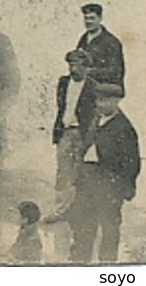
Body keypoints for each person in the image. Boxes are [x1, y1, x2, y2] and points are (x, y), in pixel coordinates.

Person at [70, 83, 140, 264]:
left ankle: (107, 268)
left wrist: (122, 188)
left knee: (109, 229)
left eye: (107, 100)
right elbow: (86, 148)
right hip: (87, 180)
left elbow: (132, 164)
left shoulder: (124, 128)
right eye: (99, 100)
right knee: (83, 226)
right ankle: (79, 265)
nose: (101, 104)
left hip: (109, 185)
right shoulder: (96, 119)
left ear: (117, 101)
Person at [54, 47, 99, 220]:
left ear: (86, 67)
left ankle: (79, 209)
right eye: (71, 65)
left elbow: (95, 115)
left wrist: (90, 138)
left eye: (78, 65)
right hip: (65, 132)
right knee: (62, 171)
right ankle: (60, 210)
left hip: (82, 133)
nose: (73, 69)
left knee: (80, 171)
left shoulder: (93, 86)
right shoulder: (63, 82)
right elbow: (61, 107)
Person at [78, 3, 127, 92]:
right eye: (86, 18)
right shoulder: (84, 39)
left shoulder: (111, 42)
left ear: (100, 19)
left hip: (108, 86)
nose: (88, 22)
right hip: (87, 83)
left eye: (92, 18)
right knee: (64, 82)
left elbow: (116, 72)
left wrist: (89, 72)